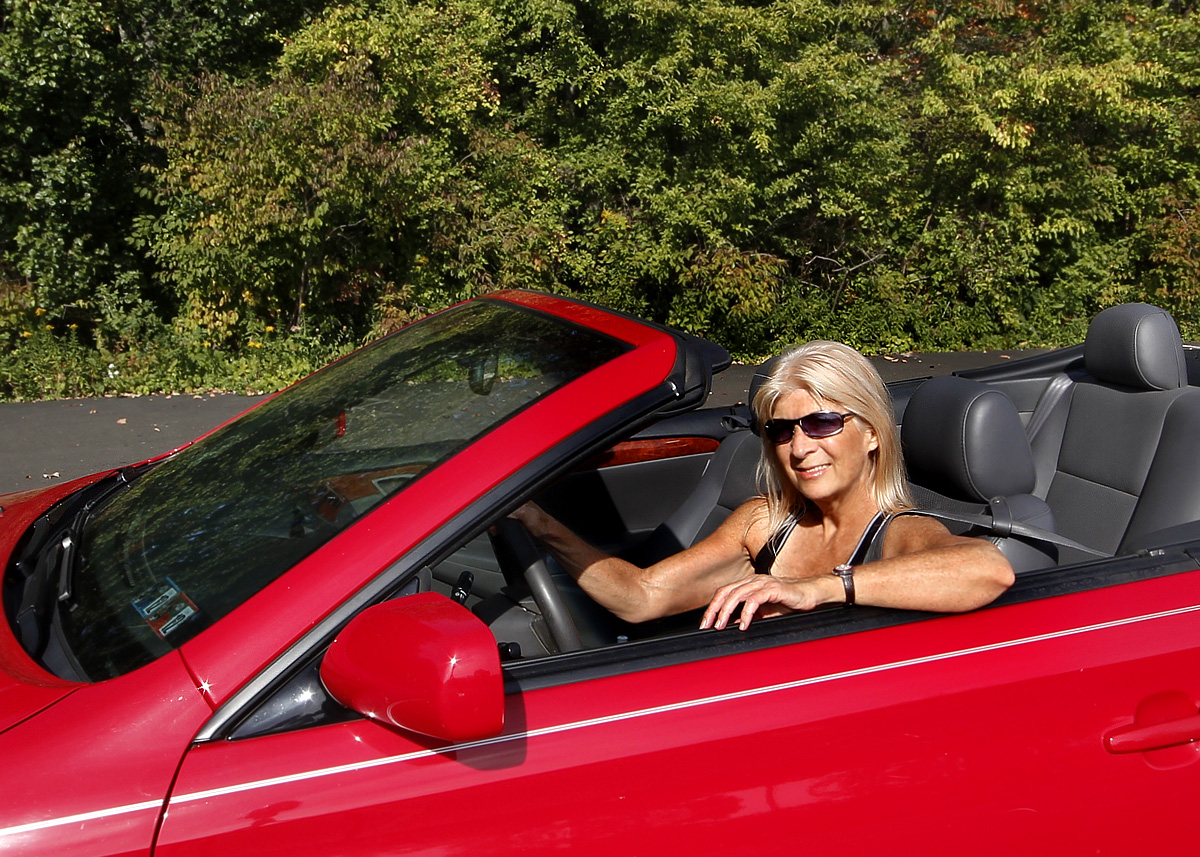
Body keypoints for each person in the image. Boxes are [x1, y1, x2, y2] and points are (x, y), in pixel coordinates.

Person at [510, 340, 1015, 632]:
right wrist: (540, 524)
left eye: (822, 424)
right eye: (781, 430)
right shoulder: (765, 522)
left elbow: (988, 571)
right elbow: (641, 596)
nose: (798, 448)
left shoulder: (898, 532)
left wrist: (816, 590)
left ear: (872, 435)